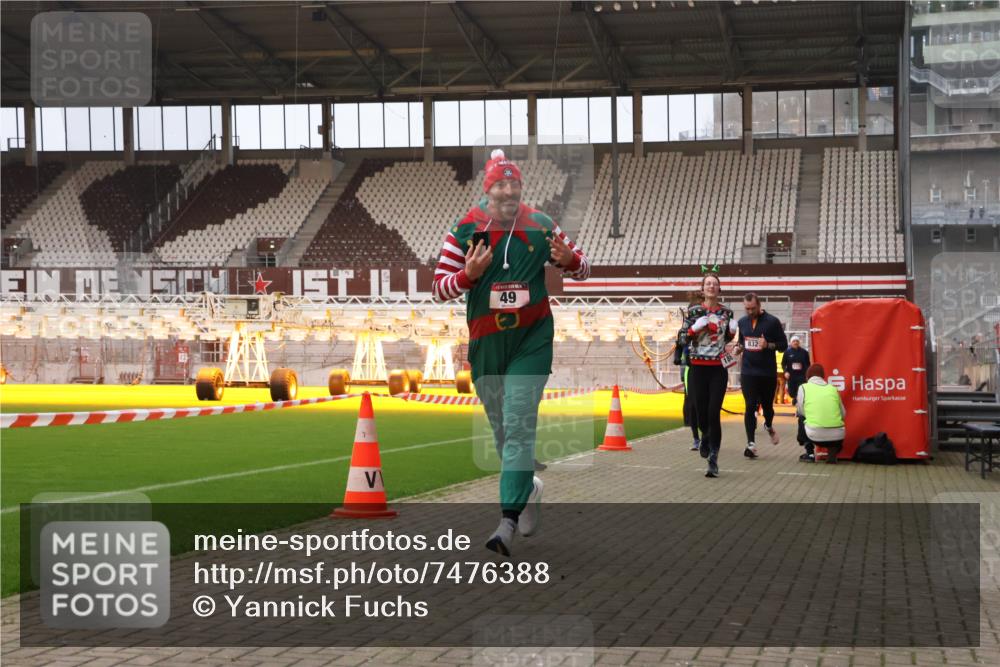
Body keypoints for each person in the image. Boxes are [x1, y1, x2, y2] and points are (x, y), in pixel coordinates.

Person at [432, 149, 590, 556]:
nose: (507, 190)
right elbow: (439, 287)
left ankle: (507, 521)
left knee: (518, 424)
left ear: (521, 188)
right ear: (487, 189)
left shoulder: (541, 224)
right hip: (487, 344)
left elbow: (583, 267)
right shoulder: (465, 228)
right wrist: (468, 275)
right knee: (504, 434)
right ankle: (529, 487)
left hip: (531, 341)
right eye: (499, 183)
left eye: (513, 183)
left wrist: (570, 260)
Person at [681, 271, 738, 478]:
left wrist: (732, 333)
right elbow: (681, 338)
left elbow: (727, 339)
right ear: (703, 289)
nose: (711, 287)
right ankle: (705, 435)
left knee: (714, 413)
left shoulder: (727, 312)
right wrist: (694, 329)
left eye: (715, 284)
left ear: (719, 289)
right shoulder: (694, 311)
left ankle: (713, 458)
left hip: (718, 368)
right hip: (697, 367)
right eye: (708, 284)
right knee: (701, 413)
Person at [734, 292, 788, 459]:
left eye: (752, 308)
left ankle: (769, 425)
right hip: (748, 372)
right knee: (750, 405)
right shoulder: (742, 322)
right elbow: (742, 341)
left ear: (759, 305)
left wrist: (768, 345)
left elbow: (783, 345)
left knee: (767, 407)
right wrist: (738, 348)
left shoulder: (772, 322)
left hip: (767, 373)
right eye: (747, 308)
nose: (749, 311)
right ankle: (751, 444)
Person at [796, 363, 846, 464]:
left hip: (814, 434)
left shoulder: (803, 387)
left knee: (801, 416)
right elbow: (843, 413)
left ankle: (810, 453)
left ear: (808, 376)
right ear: (823, 376)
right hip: (838, 437)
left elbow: (801, 410)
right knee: (836, 422)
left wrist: (811, 415)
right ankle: (832, 453)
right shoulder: (833, 388)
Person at [782, 335, 810, 406]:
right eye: (794, 341)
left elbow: (808, 364)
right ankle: (795, 397)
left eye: (797, 341)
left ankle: (798, 403)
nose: (795, 343)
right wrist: (785, 372)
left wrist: (807, 374)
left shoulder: (804, 352)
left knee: (800, 390)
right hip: (791, 376)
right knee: (791, 392)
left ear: (799, 343)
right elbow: (783, 364)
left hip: (801, 375)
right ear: (791, 343)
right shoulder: (787, 352)